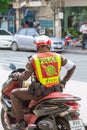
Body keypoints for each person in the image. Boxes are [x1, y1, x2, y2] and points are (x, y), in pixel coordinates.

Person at [9, 35, 76, 129]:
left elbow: (24, 77)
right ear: (49, 45)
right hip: (56, 90)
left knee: (14, 94)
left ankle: (21, 122)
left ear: (37, 46)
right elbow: (72, 67)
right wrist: (64, 81)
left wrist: (15, 75)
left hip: (41, 92)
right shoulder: (58, 56)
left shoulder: (34, 59)